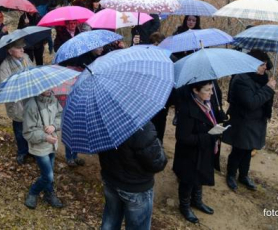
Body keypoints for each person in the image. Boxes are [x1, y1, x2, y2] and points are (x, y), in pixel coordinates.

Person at [173, 81, 227, 224]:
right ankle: (184, 206)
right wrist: (208, 136)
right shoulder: (186, 109)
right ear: (196, 90)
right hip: (189, 154)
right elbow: (182, 137)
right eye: (207, 90)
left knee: (200, 175)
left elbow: (209, 120)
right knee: (188, 180)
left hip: (203, 151)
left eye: (211, 89)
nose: (211, 93)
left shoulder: (207, 102)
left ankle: (196, 201)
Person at [99, 121, 167, 229]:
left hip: (110, 180)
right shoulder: (141, 125)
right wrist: (158, 146)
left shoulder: (102, 121)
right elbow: (158, 163)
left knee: (110, 221)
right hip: (136, 188)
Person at [223, 49, 276, 192]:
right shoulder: (241, 79)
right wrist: (268, 89)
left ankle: (244, 175)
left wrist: (267, 87)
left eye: (266, 64)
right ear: (252, 64)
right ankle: (231, 175)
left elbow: (262, 99)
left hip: (256, 121)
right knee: (239, 149)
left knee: (248, 149)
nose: (265, 67)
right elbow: (251, 103)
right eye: (262, 64)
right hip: (243, 120)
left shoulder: (261, 77)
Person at [23, 91, 64, 210]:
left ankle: (48, 193)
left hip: (52, 145)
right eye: (46, 87)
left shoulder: (54, 100)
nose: (49, 89)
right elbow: (28, 132)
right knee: (48, 176)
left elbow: (60, 116)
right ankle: (33, 192)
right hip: (39, 148)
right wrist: (44, 137)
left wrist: (54, 126)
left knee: (49, 172)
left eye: (50, 86)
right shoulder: (31, 105)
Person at [0, 39, 34, 164]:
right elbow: (4, 87)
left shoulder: (26, 58)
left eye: (22, 48)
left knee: (31, 126)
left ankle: (32, 150)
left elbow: (33, 72)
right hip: (16, 102)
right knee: (19, 129)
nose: (22, 50)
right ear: (10, 51)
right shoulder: (5, 66)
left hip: (29, 99)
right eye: (19, 48)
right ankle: (22, 152)